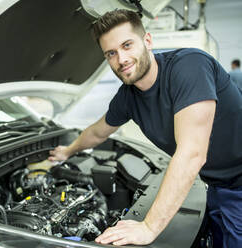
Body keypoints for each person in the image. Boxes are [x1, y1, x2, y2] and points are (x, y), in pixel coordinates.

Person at [49, 9, 242, 247]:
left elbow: (192, 154)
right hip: (218, 184)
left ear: (147, 41)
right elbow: (98, 131)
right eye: (111, 53)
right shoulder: (127, 98)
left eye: (127, 45)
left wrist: (149, 227)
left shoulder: (189, 67)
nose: (121, 59)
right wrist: (67, 152)